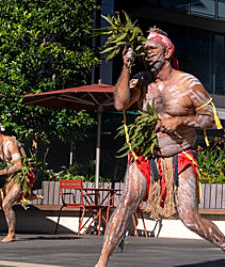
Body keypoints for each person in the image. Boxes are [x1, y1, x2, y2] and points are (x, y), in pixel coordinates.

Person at [96, 27, 225, 266]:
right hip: (147, 156)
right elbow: (120, 103)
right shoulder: (142, 82)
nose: (147, 54)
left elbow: (210, 118)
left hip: (181, 155)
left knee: (189, 217)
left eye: (152, 49)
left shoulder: (188, 83)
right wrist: (126, 66)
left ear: (167, 52)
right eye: (144, 51)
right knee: (126, 202)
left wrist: (179, 120)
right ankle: (101, 262)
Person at [0, 119, 41, 242]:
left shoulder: (10, 143)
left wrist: (0, 172)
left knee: (5, 204)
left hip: (24, 176)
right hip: (12, 177)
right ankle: (23, 197)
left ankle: (11, 233)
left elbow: (19, 165)